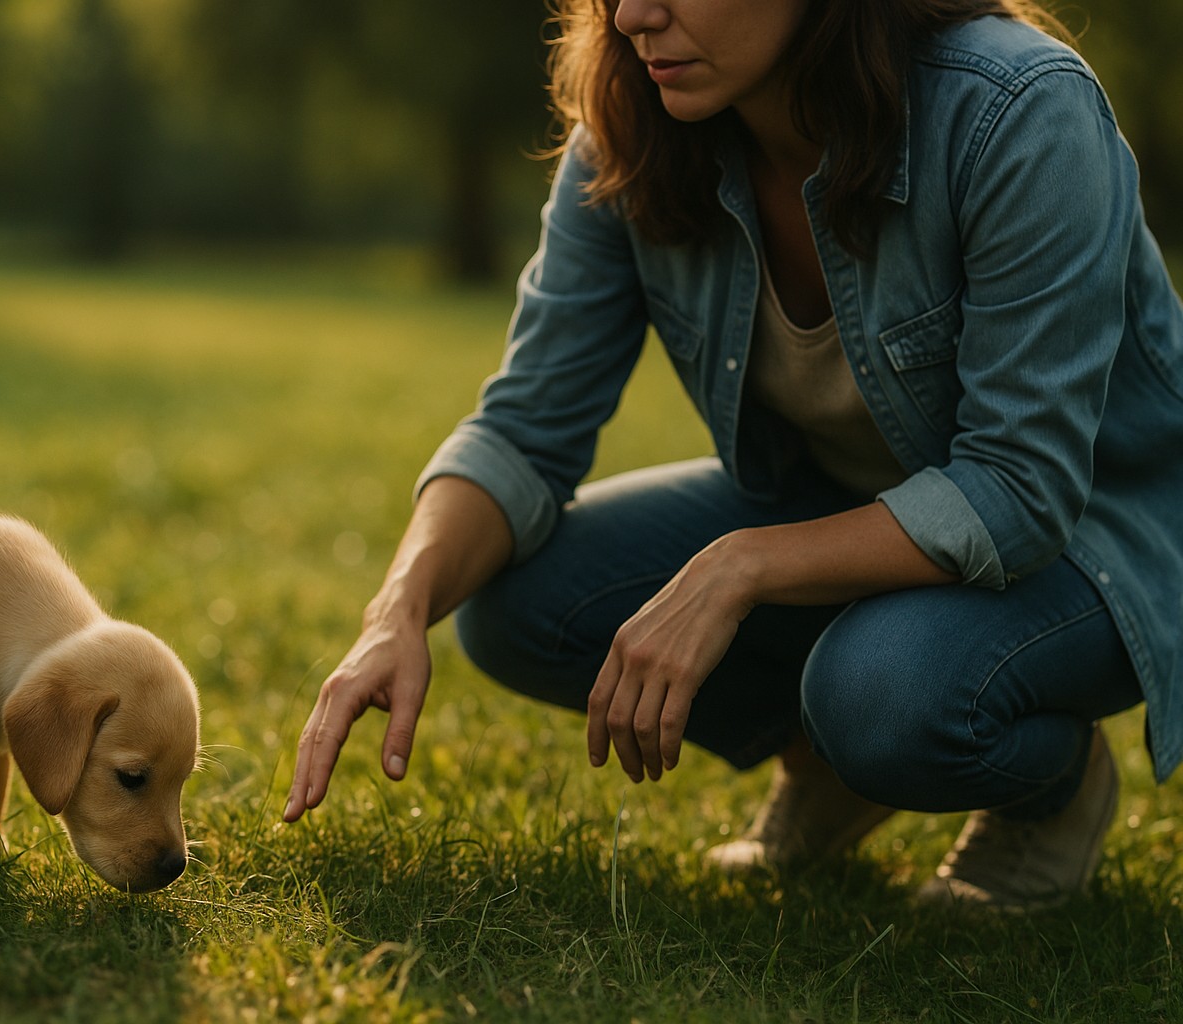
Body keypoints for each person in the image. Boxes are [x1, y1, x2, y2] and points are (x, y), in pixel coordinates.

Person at [283, 0, 1183, 910]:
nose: (634, 15)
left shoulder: (1017, 107)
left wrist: (741, 567)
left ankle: (1048, 788)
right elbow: (525, 426)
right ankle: (827, 767)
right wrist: (397, 609)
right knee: (514, 599)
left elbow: (1020, 487)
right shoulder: (631, 132)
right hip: (843, 499)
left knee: (880, 695)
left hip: (1100, 535)